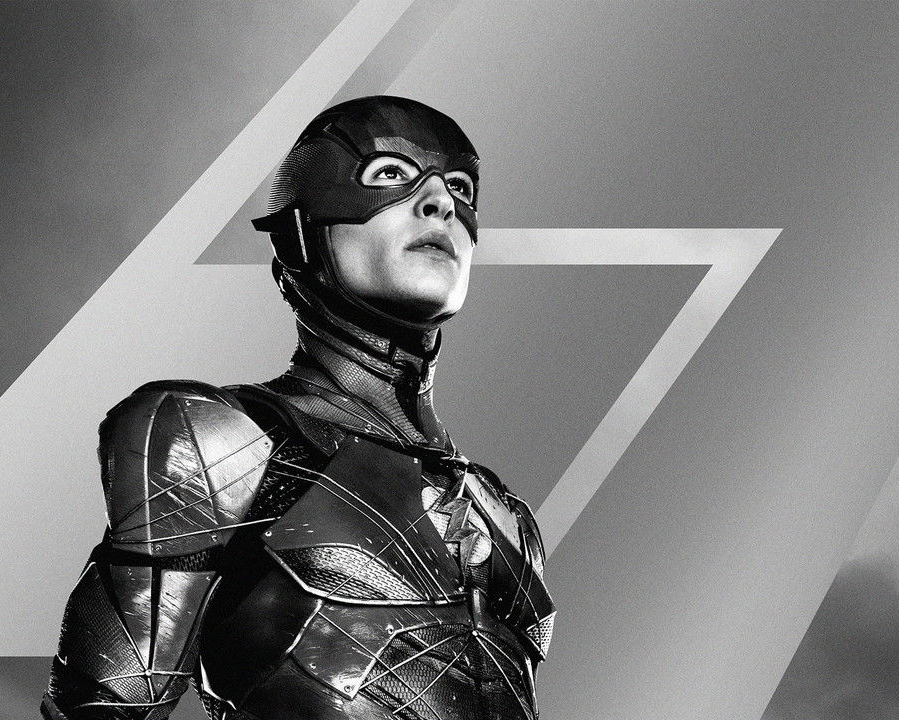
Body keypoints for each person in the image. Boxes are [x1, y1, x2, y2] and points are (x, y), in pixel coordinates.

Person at [42, 96, 553, 720]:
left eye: (460, 187)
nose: (440, 203)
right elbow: (101, 710)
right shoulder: (221, 442)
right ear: (305, 232)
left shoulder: (507, 520)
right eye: (390, 174)